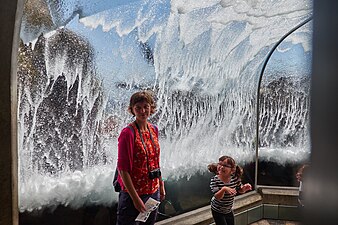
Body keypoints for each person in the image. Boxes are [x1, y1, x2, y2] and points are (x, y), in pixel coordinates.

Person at [116, 90, 166, 225]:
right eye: (138, 108)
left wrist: (161, 184)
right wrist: (135, 199)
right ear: (132, 110)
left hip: (153, 192)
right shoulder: (127, 133)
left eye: (146, 107)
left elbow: (156, 161)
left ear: (151, 107)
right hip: (134, 194)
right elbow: (123, 169)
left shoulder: (154, 129)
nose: (143, 111)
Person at [208, 155, 252, 225]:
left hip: (228, 210)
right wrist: (224, 189)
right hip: (217, 210)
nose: (221, 167)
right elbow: (217, 197)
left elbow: (239, 190)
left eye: (225, 165)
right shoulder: (215, 180)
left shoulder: (234, 179)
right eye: (220, 164)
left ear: (232, 170)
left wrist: (244, 188)